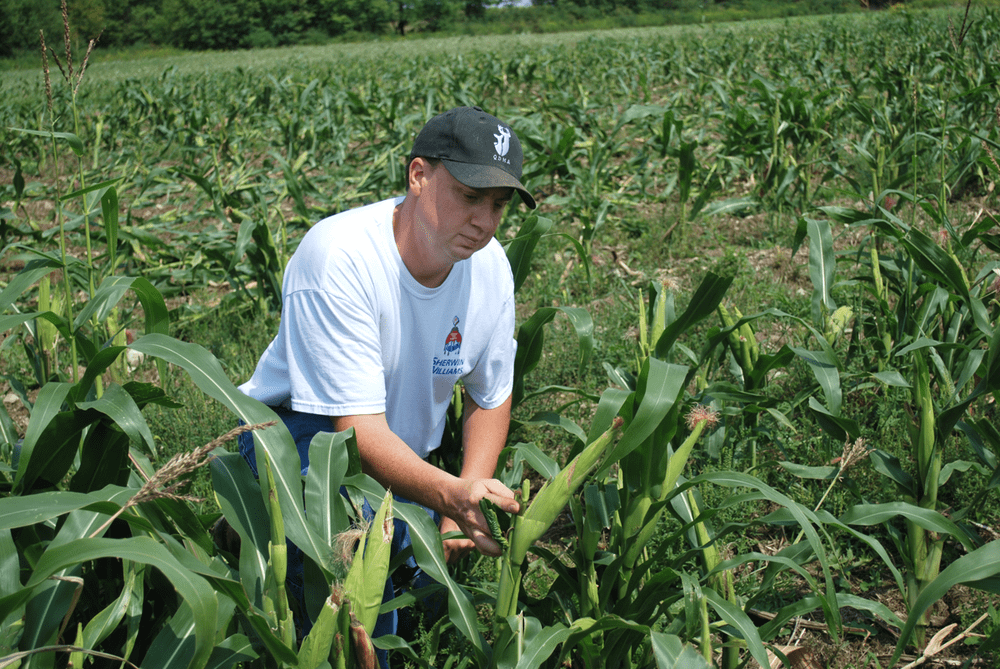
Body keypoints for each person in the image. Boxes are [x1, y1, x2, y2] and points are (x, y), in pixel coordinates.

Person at [235, 106, 536, 661]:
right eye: (471, 196)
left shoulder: (489, 266)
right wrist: (448, 492)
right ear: (418, 175)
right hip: (299, 436)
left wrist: (456, 508)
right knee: (362, 575)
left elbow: (490, 395)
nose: (486, 222)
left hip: (394, 448)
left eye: (499, 205)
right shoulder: (339, 258)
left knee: (414, 559)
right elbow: (355, 433)